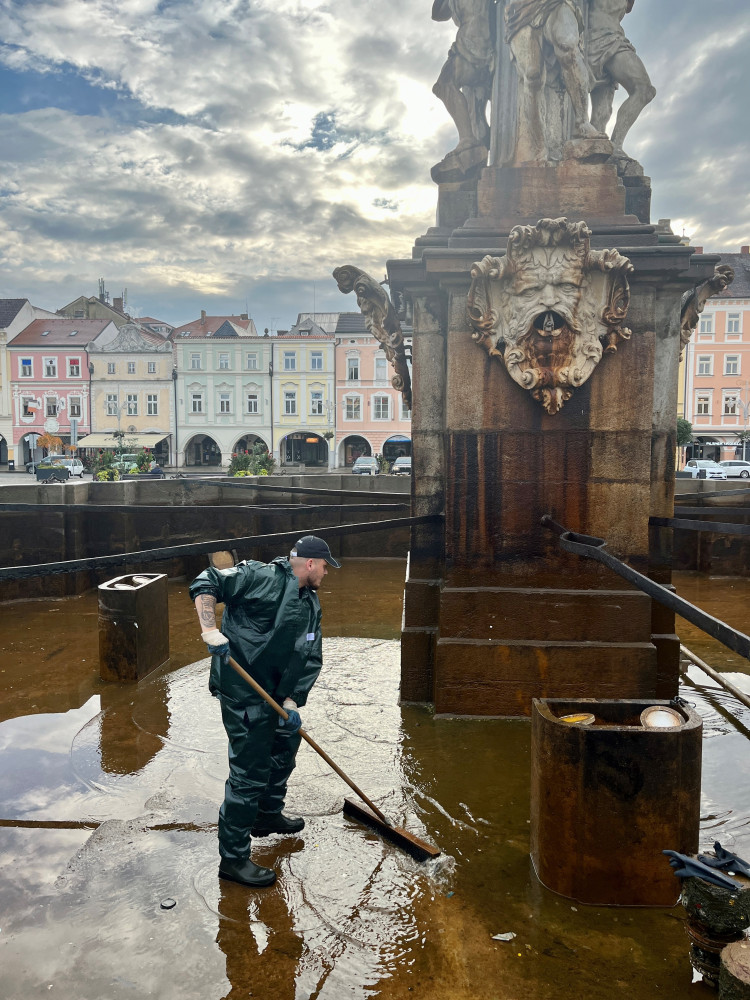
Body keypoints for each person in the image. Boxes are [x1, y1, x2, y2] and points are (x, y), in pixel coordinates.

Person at [189, 535, 341, 888]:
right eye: (325, 568)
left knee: (284, 750)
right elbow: (206, 581)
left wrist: (293, 699)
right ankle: (233, 859)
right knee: (249, 772)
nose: (326, 575)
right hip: (245, 694)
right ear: (309, 564)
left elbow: (310, 653)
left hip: (278, 697)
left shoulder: (310, 603)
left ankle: (268, 816)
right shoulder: (260, 577)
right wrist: (210, 629)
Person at [505, 0, 602, 162]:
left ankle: (583, 123)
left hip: (557, 2)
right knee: (532, 75)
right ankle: (539, 145)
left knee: (569, 46)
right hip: (520, 10)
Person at [587, 0, 656, 161]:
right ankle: (616, 146)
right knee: (644, 90)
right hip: (599, 39)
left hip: (614, 39)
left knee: (601, 116)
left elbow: (629, 7)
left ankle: (598, 160)